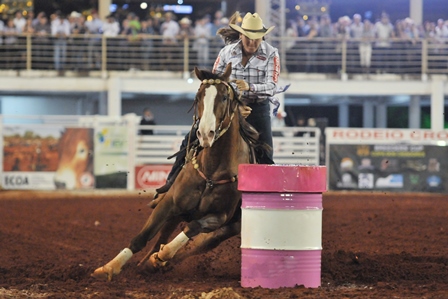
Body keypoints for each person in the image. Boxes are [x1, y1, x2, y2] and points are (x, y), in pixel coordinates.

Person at [154, 11, 282, 197]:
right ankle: (170, 184)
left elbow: (272, 86)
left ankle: (266, 197)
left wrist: (250, 87)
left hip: (257, 106)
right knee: (190, 139)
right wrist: (235, 107)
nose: (252, 43)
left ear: (262, 37)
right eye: (248, 38)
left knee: (265, 152)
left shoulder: (272, 54)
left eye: (257, 38)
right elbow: (215, 83)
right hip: (227, 107)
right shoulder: (227, 52)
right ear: (241, 35)